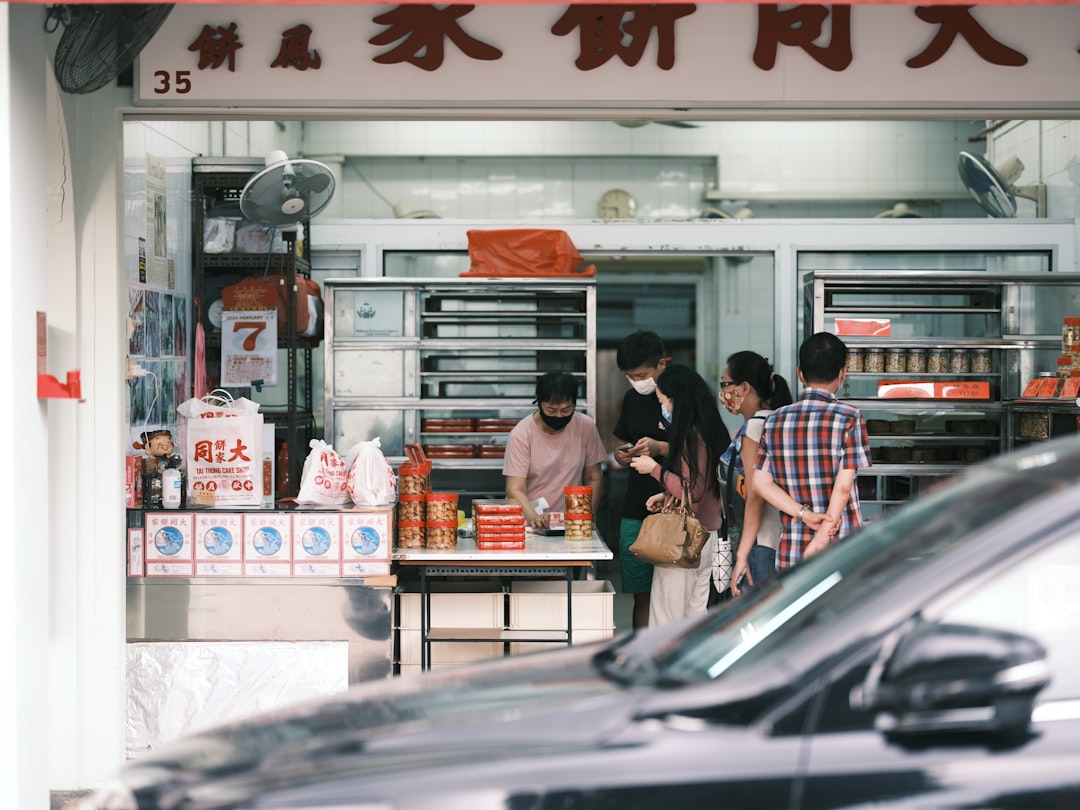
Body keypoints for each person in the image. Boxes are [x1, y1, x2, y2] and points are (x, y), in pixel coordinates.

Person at [752, 332, 872, 570]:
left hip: (793, 550)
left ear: (800, 373)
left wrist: (804, 515)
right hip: (841, 549)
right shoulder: (849, 417)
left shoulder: (775, 420)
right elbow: (844, 485)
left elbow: (761, 484)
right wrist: (822, 538)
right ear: (842, 373)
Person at [630, 364, 728, 625]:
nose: (664, 409)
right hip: (706, 536)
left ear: (676, 400)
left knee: (667, 621)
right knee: (695, 618)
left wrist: (654, 469)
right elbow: (703, 486)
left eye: (664, 401)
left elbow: (692, 490)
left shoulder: (690, 436)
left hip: (682, 540)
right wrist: (667, 496)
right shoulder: (710, 430)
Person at [719, 351, 794, 597]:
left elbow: (756, 493)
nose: (724, 393)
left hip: (759, 541)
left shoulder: (755, 426)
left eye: (725, 384)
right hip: (770, 539)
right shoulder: (773, 420)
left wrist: (743, 551)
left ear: (744, 387)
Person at [612, 330, 671, 629]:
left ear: (662, 364)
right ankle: (640, 656)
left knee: (674, 597)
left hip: (676, 510)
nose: (637, 381)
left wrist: (661, 448)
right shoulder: (632, 398)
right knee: (641, 595)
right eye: (630, 376)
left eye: (641, 374)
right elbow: (621, 442)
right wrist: (620, 456)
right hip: (636, 508)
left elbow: (701, 448)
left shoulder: (681, 396)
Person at [503, 372, 607, 529]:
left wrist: (587, 515)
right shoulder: (522, 434)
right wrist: (533, 517)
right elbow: (515, 488)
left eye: (566, 410)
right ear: (539, 403)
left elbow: (593, 477)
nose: (559, 416)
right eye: (551, 410)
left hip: (573, 521)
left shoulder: (585, 427)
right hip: (531, 521)